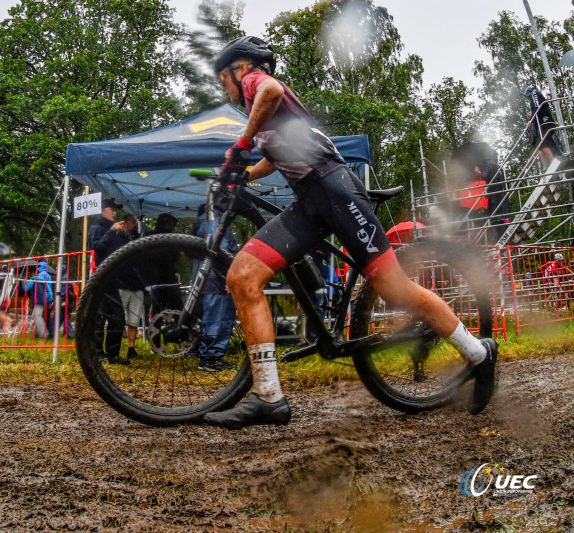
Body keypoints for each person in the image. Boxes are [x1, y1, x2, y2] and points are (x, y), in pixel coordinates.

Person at [203, 36, 497, 429]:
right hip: (311, 200)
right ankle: (268, 396)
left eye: (225, 80)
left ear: (240, 69)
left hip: (335, 191)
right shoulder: (267, 117)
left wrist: (240, 146)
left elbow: (272, 90)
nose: (226, 89)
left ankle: (479, 354)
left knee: (396, 290)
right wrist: (241, 176)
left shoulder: (257, 81)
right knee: (243, 275)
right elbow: (274, 161)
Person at [190, 204, 238, 371]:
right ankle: (212, 357)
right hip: (217, 279)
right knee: (219, 318)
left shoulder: (203, 220)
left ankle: (205, 353)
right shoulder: (215, 220)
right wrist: (228, 277)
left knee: (208, 318)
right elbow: (221, 250)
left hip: (205, 278)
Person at [87, 198, 129, 364]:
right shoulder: (97, 228)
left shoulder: (115, 232)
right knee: (100, 317)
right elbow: (97, 248)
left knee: (118, 317)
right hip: (100, 279)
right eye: (113, 209)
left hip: (113, 279)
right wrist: (111, 231)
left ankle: (113, 353)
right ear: (104, 210)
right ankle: (97, 353)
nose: (115, 212)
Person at [108, 214, 144, 359]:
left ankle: (131, 348)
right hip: (122, 284)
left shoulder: (138, 239)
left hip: (137, 285)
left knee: (134, 319)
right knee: (118, 318)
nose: (132, 225)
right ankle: (114, 348)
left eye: (134, 223)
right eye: (130, 222)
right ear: (124, 224)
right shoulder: (118, 239)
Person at [524, 86, 564, 170]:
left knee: (544, 145)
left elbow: (536, 107)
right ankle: (546, 167)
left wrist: (532, 119)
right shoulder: (535, 95)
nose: (526, 97)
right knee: (539, 147)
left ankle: (553, 165)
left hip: (545, 122)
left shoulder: (534, 94)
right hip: (542, 124)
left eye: (526, 95)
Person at [24, 261, 54, 339]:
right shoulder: (47, 275)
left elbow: (26, 288)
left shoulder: (37, 277)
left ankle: (44, 334)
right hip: (45, 299)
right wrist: (50, 299)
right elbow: (49, 288)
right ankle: (39, 334)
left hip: (39, 300)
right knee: (40, 316)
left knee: (37, 316)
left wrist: (23, 282)